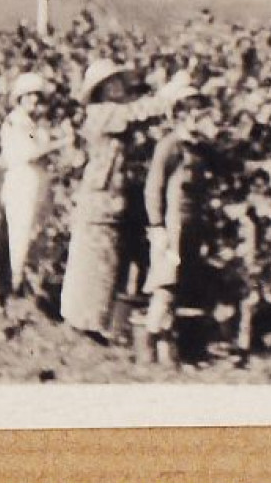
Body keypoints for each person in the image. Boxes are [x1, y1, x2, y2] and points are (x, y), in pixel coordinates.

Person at [59, 59, 194, 340]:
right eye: (113, 82)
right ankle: (83, 323)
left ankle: (88, 323)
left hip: (109, 198)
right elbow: (140, 111)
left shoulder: (109, 114)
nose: (120, 86)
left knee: (102, 261)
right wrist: (169, 93)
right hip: (100, 198)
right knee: (94, 260)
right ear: (103, 89)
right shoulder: (101, 113)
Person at [141, 82, 218, 365]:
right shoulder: (170, 145)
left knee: (182, 287)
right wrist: (156, 226)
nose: (198, 114)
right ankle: (150, 345)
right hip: (171, 227)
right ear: (181, 113)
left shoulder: (199, 149)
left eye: (200, 108)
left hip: (192, 226)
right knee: (166, 285)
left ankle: (167, 351)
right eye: (192, 109)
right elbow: (153, 188)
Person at [0, 71, 70, 299]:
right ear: (19, 98)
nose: (34, 101)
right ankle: (14, 286)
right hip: (22, 183)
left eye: (37, 96)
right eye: (28, 96)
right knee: (20, 232)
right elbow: (30, 153)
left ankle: (20, 284)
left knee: (31, 231)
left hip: (34, 183)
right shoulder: (16, 122)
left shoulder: (31, 124)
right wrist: (62, 143)